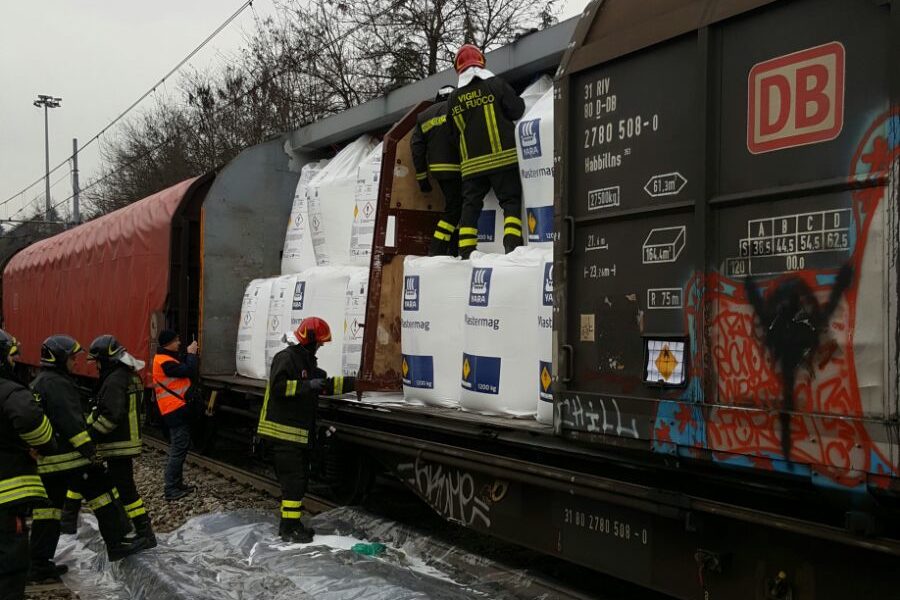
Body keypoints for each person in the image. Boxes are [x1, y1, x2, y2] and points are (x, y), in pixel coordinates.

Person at [29, 335, 147, 581]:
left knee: (48, 512)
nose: (76, 362)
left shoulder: (43, 381)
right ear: (59, 359)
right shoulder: (56, 384)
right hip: (69, 458)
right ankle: (117, 544)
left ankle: (39, 564)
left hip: (52, 461)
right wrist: (90, 451)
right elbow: (71, 423)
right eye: (72, 358)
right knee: (103, 492)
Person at [257, 317, 355, 543]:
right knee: (293, 482)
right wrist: (306, 386)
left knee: (298, 482)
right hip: (282, 432)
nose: (321, 345)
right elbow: (279, 387)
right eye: (319, 342)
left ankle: (291, 524)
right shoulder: (286, 358)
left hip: (296, 434)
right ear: (309, 339)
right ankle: (288, 528)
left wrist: (355, 383)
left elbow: (325, 385)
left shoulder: (307, 362)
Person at [446, 44, 526, 258]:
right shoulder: (495, 85)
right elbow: (517, 109)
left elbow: (453, 135)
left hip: (472, 166)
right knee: (510, 202)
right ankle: (512, 246)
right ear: (481, 61)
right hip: (503, 160)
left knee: (470, 207)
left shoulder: (453, 99)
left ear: (458, 69)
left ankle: (466, 252)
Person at [79, 335, 157, 549]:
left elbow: (110, 416)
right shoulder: (126, 376)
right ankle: (129, 527)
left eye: (97, 362)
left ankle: (144, 532)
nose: (96, 366)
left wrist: (90, 437)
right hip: (124, 443)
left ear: (106, 360)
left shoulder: (114, 380)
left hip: (118, 444)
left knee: (126, 490)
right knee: (119, 487)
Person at [0, 329, 57, 599]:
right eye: (11, 355)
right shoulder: (10, 390)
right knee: (10, 564)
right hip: (6, 497)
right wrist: (39, 446)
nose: (15, 360)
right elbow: (38, 428)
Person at [410, 85, 462, 257]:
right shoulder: (459, 108)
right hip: (462, 167)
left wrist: (422, 179)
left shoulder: (424, 116)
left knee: (456, 208)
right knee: (455, 211)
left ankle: (453, 249)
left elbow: (417, 149)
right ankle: (437, 249)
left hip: (439, 171)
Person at [151, 329, 198, 501]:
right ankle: (171, 488)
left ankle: (177, 484)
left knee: (180, 447)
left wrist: (187, 354)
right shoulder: (165, 362)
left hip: (174, 409)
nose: (179, 343)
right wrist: (192, 354)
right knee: (178, 449)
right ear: (168, 343)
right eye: (177, 340)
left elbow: (181, 366)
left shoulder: (166, 359)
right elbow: (189, 371)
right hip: (174, 410)